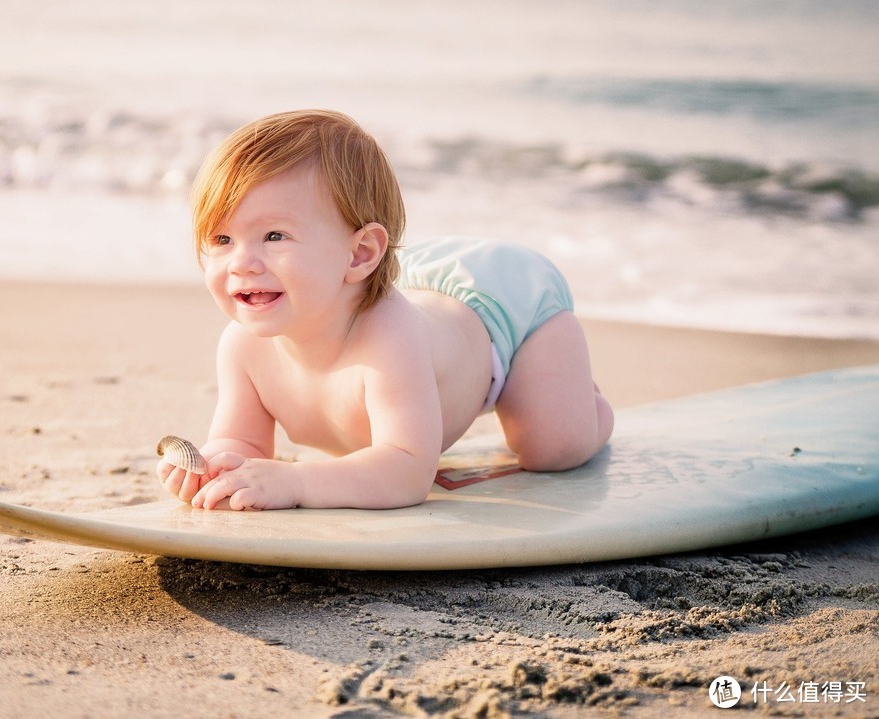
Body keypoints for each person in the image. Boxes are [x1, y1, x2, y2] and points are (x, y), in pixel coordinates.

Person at [157, 109, 613, 510]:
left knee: (551, 450)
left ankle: (580, 393)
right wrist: (214, 467)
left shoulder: (389, 337)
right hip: (430, 295)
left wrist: (296, 480)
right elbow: (244, 443)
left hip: (507, 310)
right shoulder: (243, 346)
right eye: (222, 240)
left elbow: (407, 472)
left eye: (274, 236)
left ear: (358, 255)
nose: (242, 263)